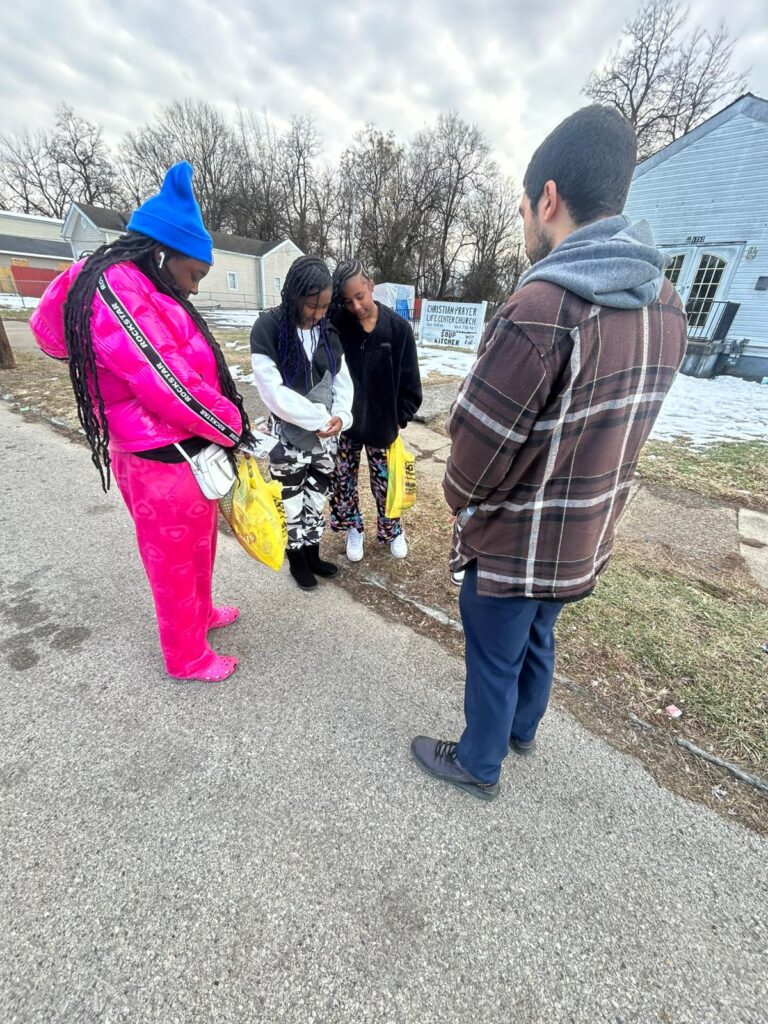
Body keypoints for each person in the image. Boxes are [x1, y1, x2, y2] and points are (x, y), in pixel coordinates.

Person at [411, 105, 688, 800]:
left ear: (550, 199)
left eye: (524, 209)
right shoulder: (666, 303)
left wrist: (460, 501)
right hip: (587, 531)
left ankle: (479, 762)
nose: (526, 224)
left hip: (515, 540)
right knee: (539, 636)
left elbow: (478, 439)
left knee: (494, 655)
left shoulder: (543, 305)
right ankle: (524, 729)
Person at [29, 162, 254, 683]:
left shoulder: (146, 288)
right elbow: (167, 382)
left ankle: (199, 618)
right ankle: (186, 656)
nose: (195, 287)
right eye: (194, 273)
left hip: (182, 453)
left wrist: (224, 425)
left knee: (199, 544)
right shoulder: (117, 289)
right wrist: (233, 426)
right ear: (161, 253)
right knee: (173, 564)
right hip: (157, 458)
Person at [250, 256, 354, 591]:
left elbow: (342, 380)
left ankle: (312, 552)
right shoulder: (268, 328)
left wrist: (342, 416)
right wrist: (320, 418)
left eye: (324, 306)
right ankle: (297, 560)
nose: (318, 314)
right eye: (312, 305)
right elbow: (273, 393)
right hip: (289, 439)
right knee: (291, 499)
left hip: (326, 437)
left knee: (316, 497)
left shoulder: (327, 331)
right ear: (294, 294)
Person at [329, 259, 422, 561]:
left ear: (371, 286)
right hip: (347, 425)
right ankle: (354, 527)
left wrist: (398, 418)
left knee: (386, 486)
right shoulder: (338, 325)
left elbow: (411, 384)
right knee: (343, 483)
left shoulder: (398, 329)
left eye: (360, 296)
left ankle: (392, 529)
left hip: (383, 427)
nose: (355, 306)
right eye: (347, 300)